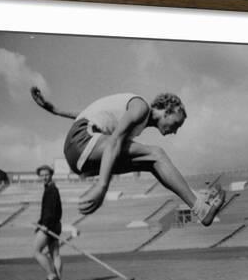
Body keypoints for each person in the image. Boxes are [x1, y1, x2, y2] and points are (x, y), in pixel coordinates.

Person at [30, 88, 225, 226]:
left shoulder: (135, 118)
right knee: (156, 154)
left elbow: (87, 114)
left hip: (80, 154)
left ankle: (199, 200)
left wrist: (54, 110)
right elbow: (113, 141)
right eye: (177, 123)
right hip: (82, 142)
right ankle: (201, 209)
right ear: (168, 110)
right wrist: (102, 186)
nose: (175, 131)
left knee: (151, 162)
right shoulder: (140, 107)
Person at [33, 164, 63, 280]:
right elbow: (51, 211)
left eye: (47, 174)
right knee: (55, 254)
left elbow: (51, 211)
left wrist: (45, 225)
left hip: (49, 226)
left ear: (51, 175)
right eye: (42, 175)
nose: (44, 177)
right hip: (54, 225)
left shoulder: (51, 190)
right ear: (39, 177)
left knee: (37, 251)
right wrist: (40, 223)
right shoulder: (51, 188)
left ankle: (51, 276)